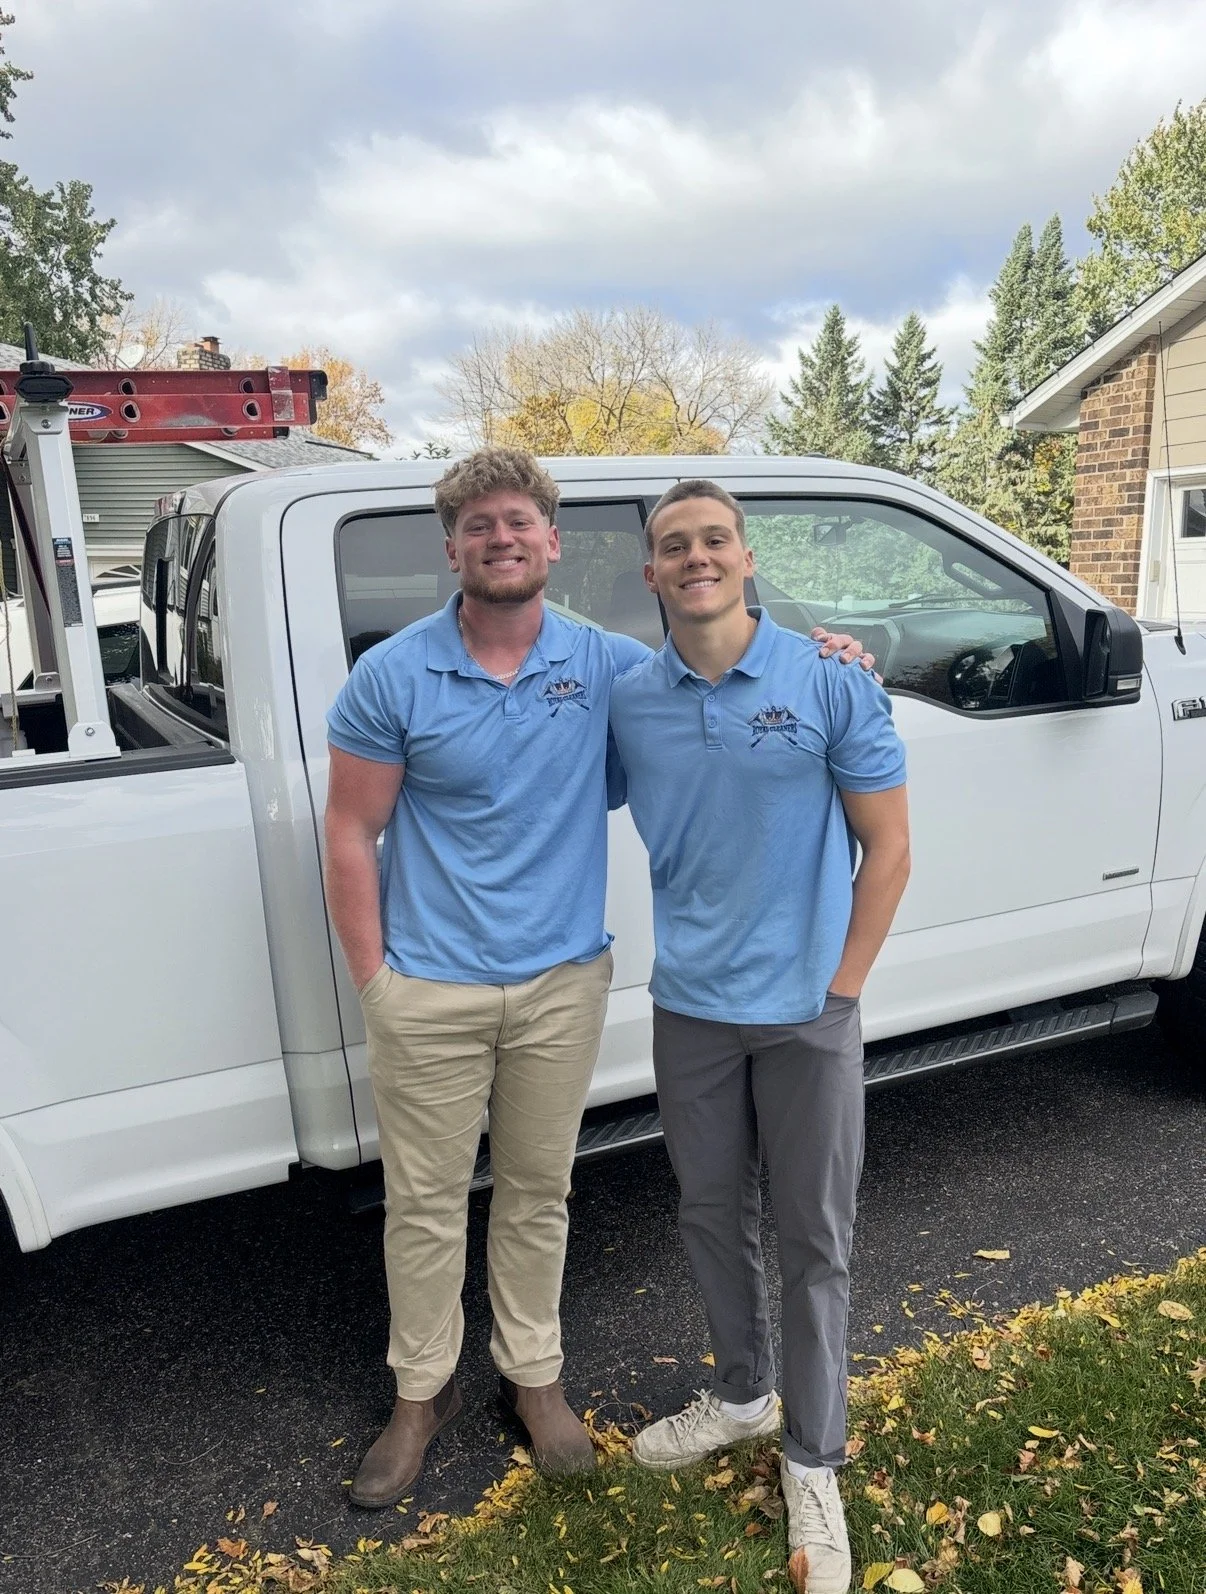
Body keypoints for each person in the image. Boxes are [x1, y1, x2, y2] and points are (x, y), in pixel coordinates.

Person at [323, 448, 874, 1511]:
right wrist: (375, 980)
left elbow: (711, 689)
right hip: (427, 985)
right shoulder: (392, 673)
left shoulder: (609, 669)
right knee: (424, 1202)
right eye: (479, 525)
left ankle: (535, 1379)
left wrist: (833, 656)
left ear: (553, 543)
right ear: (453, 548)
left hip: (562, 981)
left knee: (538, 1194)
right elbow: (351, 828)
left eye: (519, 522)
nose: (502, 538)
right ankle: (419, 1393)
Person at [609, 481, 910, 1594]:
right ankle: (740, 1396)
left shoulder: (830, 675)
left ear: (746, 556)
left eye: (714, 539)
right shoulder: (629, 699)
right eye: (672, 545)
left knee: (814, 1239)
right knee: (707, 1211)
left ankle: (813, 1461)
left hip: (806, 1015)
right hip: (688, 1005)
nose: (695, 557)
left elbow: (889, 848)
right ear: (651, 574)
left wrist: (839, 990)